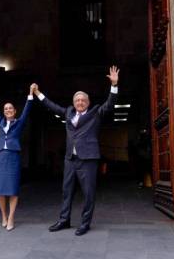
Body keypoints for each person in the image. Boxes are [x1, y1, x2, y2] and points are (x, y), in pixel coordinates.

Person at [31, 65, 120, 236]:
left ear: (88, 103)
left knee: (88, 193)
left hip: (88, 159)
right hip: (70, 159)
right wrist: (38, 93)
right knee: (67, 191)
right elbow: (52, 106)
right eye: (77, 100)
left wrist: (114, 85)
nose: (80, 102)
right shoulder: (68, 113)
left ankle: (85, 223)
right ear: (73, 103)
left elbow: (110, 104)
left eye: (83, 100)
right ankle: (64, 220)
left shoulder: (95, 112)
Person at [0, 79, 34, 231]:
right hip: (1, 157)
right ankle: (3, 216)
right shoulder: (0, 122)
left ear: (14, 111)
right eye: (5, 109)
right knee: (0, 190)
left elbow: (27, 109)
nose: (8, 110)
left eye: (10, 108)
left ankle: (11, 217)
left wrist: (31, 94)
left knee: (12, 189)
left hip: (13, 158)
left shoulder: (19, 122)